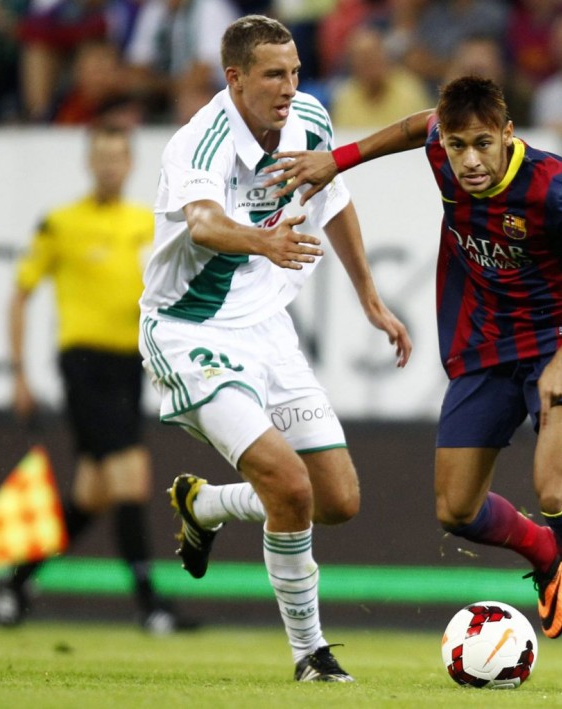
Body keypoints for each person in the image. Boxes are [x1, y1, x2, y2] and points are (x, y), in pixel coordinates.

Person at [262, 75, 562, 691]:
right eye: (458, 144)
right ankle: (543, 553)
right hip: (487, 346)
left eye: (482, 145)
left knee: (556, 485)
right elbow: (417, 125)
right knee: (455, 511)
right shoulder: (440, 143)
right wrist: (338, 159)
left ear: (509, 134)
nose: (468, 161)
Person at [137, 15, 411, 682]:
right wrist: (264, 240)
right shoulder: (199, 141)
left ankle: (204, 505)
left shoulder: (309, 118)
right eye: (273, 75)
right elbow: (202, 222)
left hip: (268, 332)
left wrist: (371, 298)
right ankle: (310, 653)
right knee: (289, 485)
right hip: (191, 332)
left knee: (336, 497)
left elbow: (335, 200)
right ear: (235, 78)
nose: (290, 86)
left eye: (293, 71)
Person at [0, 125, 187, 634]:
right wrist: (18, 373)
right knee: (131, 474)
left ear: (129, 164)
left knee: (92, 494)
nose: (108, 166)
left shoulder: (145, 225)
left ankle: (13, 582)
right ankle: (150, 605)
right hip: (84, 365)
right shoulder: (60, 224)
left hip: (129, 367)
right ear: (88, 162)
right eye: (100, 157)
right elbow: (20, 294)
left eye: (117, 157)